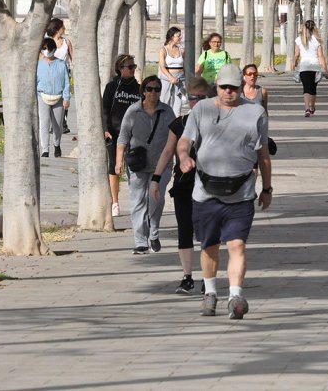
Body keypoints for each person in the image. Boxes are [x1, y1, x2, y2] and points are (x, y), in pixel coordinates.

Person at [177, 64, 271, 320]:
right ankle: (209, 293)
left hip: (241, 192)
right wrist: (184, 156)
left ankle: (236, 295)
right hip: (206, 192)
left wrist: (267, 188)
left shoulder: (255, 112)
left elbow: (263, 154)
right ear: (215, 86)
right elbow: (185, 140)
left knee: (237, 244)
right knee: (209, 247)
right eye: (223, 87)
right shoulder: (202, 110)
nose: (228, 92)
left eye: (233, 87)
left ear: (241, 87)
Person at [150, 77, 210, 294]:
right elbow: (167, 151)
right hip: (184, 183)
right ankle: (187, 277)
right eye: (192, 97)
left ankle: (207, 277)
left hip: (210, 184)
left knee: (206, 232)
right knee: (184, 229)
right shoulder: (180, 123)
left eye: (201, 98)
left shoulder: (217, 121)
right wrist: (156, 179)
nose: (196, 102)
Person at [116, 75, 175, 254]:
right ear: (143, 91)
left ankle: (154, 233)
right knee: (138, 202)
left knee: (155, 200)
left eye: (157, 89)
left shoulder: (167, 112)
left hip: (162, 166)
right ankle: (141, 241)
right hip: (138, 165)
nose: (153, 93)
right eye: (149, 89)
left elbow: (176, 137)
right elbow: (123, 137)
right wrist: (119, 161)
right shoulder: (133, 111)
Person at [102, 55, 141, 216]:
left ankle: (136, 201)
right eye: (129, 67)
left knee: (133, 166)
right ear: (120, 68)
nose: (133, 70)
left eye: (134, 66)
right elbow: (104, 109)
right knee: (114, 168)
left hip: (134, 133)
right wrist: (105, 129)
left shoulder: (138, 88)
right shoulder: (112, 86)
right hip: (114, 132)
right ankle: (115, 202)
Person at [36, 37, 70, 158]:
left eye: (48, 48)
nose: (46, 51)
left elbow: (67, 82)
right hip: (42, 96)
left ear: (54, 49)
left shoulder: (62, 64)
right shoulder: (38, 65)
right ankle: (45, 149)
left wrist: (66, 98)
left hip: (58, 97)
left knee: (57, 124)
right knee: (44, 123)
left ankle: (57, 144)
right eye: (44, 48)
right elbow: (35, 82)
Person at [292, 20, 328, 117]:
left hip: (304, 67)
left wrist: (294, 63)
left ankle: (307, 109)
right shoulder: (317, 40)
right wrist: (326, 70)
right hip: (315, 67)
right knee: (313, 88)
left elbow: (296, 54)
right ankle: (312, 107)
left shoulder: (299, 39)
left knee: (306, 89)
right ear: (314, 28)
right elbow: (321, 56)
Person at [46, 18, 74, 133]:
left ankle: (63, 123)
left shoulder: (67, 42)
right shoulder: (47, 42)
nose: (65, 29)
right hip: (50, 73)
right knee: (51, 97)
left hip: (64, 73)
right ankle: (53, 123)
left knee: (64, 97)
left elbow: (73, 58)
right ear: (57, 29)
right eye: (63, 27)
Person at [158, 26, 186, 115]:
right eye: (178, 36)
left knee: (178, 104)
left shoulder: (181, 50)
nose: (180, 37)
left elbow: (184, 65)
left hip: (180, 80)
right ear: (172, 37)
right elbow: (162, 67)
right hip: (167, 79)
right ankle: (162, 124)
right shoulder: (163, 50)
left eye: (180, 36)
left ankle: (175, 125)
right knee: (164, 101)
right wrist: (170, 78)